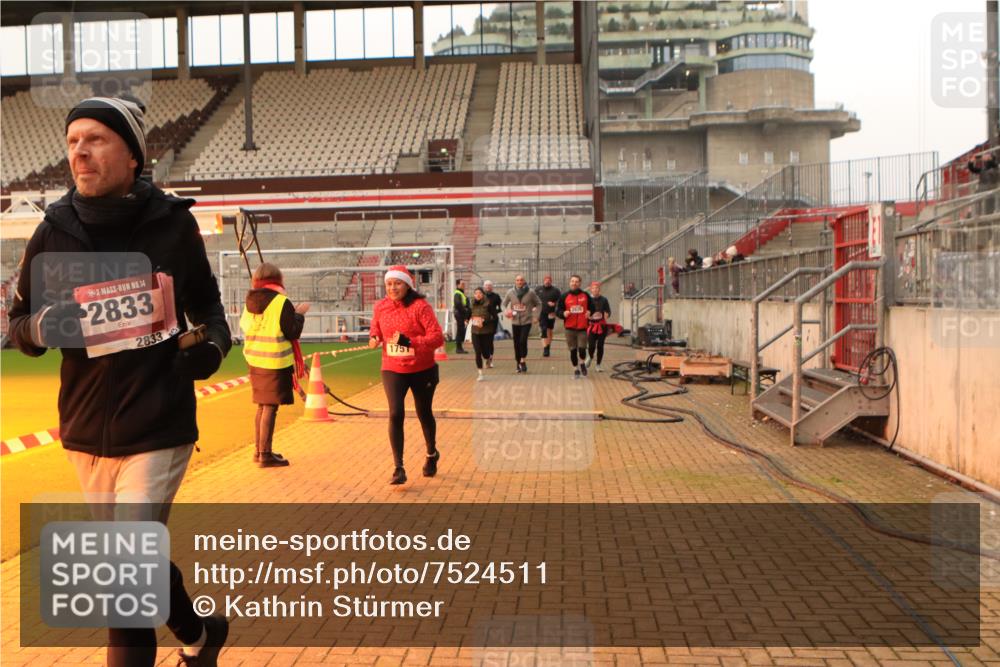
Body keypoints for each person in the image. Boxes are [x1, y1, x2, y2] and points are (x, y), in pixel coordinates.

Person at [7, 96, 230, 666]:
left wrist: (212, 346)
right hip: (83, 430)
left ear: (133, 154)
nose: (80, 150)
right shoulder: (52, 231)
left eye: (96, 139)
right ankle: (199, 632)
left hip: (157, 422)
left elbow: (208, 304)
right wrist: (41, 325)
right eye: (73, 140)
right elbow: (17, 325)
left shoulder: (173, 225)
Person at [368, 265, 444, 485]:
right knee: (395, 413)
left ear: (407, 285)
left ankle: (431, 454)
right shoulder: (381, 307)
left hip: (422, 369)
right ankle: (398, 467)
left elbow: (437, 337)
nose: (393, 288)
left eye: (397, 283)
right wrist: (374, 337)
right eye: (389, 284)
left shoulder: (420, 307)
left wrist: (412, 342)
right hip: (393, 367)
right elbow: (376, 328)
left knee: (423, 412)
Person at [240, 262, 309, 468]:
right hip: (275, 360)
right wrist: (300, 314)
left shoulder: (248, 302)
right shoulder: (281, 302)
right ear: (278, 280)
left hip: (255, 360)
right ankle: (265, 454)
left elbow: (245, 326)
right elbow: (292, 331)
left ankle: (259, 451)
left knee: (262, 405)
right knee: (270, 407)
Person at [502, 274, 540, 373]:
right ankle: (518, 363)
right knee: (516, 343)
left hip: (526, 320)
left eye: (521, 280)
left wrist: (536, 316)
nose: (519, 282)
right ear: (515, 281)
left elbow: (539, 303)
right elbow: (503, 304)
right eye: (517, 280)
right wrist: (506, 311)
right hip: (515, 321)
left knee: (522, 341)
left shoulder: (530, 292)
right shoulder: (510, 292)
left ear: (524, 281)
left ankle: (523, 360)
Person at [556, 274, 593, 379]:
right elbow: (558, 311)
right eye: (572, 281)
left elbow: (592, 308)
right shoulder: (564, 296)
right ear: (569, 283)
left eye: (576, 281)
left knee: (582, 349)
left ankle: (582, 363)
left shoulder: (585, 295)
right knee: (572, 350)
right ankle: (575, 369)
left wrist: (590, 312)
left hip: (583, 328)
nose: (574, 283)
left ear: (580, 283)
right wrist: (563, 314)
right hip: (569, 328)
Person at [468, 286, 497, 381]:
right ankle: (480, 373)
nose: (478, 295)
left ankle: (488, 358)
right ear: (474, 295)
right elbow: (468, 314)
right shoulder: (471, 304)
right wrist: (466, 319)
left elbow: (495, 317)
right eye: (476, 293)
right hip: (475, 331)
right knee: (477, 352)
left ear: (483, 294)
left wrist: (484, 322)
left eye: (480, 293)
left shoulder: (488, 304)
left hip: (486, 331)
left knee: (485, 353)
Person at [586, 281, 612, 373]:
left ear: (599, 289)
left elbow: (608, 311)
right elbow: (584, 311)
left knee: (600, 346)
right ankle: (590, 357)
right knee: (591, 345)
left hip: (601, 326)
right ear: (590, 289)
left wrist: (607, 315)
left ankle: (598, 365)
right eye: (593, 288)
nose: (595, 290)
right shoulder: (588, 299)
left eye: (597, 288)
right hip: (591, 326)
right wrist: (587, 315)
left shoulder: (604, 300)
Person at [535, 275, 561, 357]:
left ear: (551, 281)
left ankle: (548, 347)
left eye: (549, 280)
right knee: (543, 329)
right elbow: (533, 300)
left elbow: (560, 301)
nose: (547, 281)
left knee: (549, 330)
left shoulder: (556, 290)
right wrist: (534, 308)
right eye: (546, 279)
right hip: (541, 313)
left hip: (551, 313)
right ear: (543, 280)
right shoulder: (538, 289)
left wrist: (554, 304)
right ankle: (545, 348)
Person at [482, 279, 503, 362]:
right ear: (484, 287)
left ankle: (490, 356)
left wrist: (494, 313)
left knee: (490, 339)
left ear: (492, 287)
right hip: (483, 320)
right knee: (484, 339)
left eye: (489, 285)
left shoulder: (496, 296)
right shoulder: (481, 296)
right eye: (486, 285)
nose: (488, 287)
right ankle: (485, 355)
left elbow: (500, 308)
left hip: (492, 321)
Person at [452, 278, 471, 354]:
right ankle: (458, 348)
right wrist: (465, 311)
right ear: (457, 285)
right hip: (459, 314)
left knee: (461, 330)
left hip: (460, 313)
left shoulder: (461, 293)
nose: (464, 285)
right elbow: (458, 304)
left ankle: (459, 348)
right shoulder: (457, 293)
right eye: (462, 284)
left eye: (464, 284)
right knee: (460, 331)